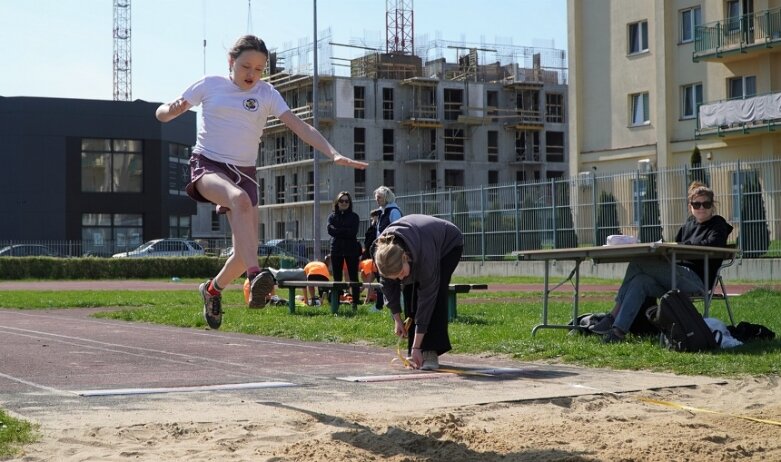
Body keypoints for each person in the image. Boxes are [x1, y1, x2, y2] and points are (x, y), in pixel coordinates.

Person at [155, 35, 367, 329]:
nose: (251, 74)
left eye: (258, 68)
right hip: (208, 165)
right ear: (231, 62)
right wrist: (172, 109)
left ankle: (213, 289)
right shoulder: (210, 84)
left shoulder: (267, 93)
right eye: (245, 67)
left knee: (242, 254)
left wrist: (332, 153)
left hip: (246, 173)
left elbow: (300, 126)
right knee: (239, 200)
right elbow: (162, 114)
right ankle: (257, 277)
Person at [593, 182, 734, 343]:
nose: (701, 208)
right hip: (677, 275)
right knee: (640, 281)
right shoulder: (688, 225)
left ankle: (612, 315)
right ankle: (617, 332)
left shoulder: (718, 224)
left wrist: (681, 248)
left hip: (696, 280)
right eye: (697, 204)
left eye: (706, 204)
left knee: (639, 261)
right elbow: (677, 250)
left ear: (712, 206)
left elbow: (713, 245)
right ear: (690, 206)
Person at [373, 214, 464, 371]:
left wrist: (417, 346)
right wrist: (397, 318)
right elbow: (388, 287)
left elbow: (427, 299)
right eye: (396, 277)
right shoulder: (384, 256)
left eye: (400, 273)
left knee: (435, 294)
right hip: (415, 240)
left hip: (448, 245)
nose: (400, 278)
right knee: (409, 290)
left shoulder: (425, 258)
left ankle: (428, 350)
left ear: (405, 258)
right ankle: (415, 351)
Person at [327, 191, 362, 310]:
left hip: (351, 250)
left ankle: (355, 303)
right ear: (337, 202)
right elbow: (330, 230)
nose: (344, 203)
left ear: (349, 203)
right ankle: (335, 304)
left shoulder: (354, 217)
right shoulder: (332, 216)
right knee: (337, 278)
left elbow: (353, 232)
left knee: (353, 277)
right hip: (336, 249)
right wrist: (344, 231)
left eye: (347, 201)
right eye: (341, 201)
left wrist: (338, 231)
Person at [373, 186, 403, 311]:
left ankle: (397, 304)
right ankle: (384, 304)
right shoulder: (382, 212)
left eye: (379, 197)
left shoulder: (393, 211)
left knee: (393, 278)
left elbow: (397, 231)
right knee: (383, 278)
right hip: (382, 249)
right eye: (376, 198)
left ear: (386, 197)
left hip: (391, 250)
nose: (377, 200)